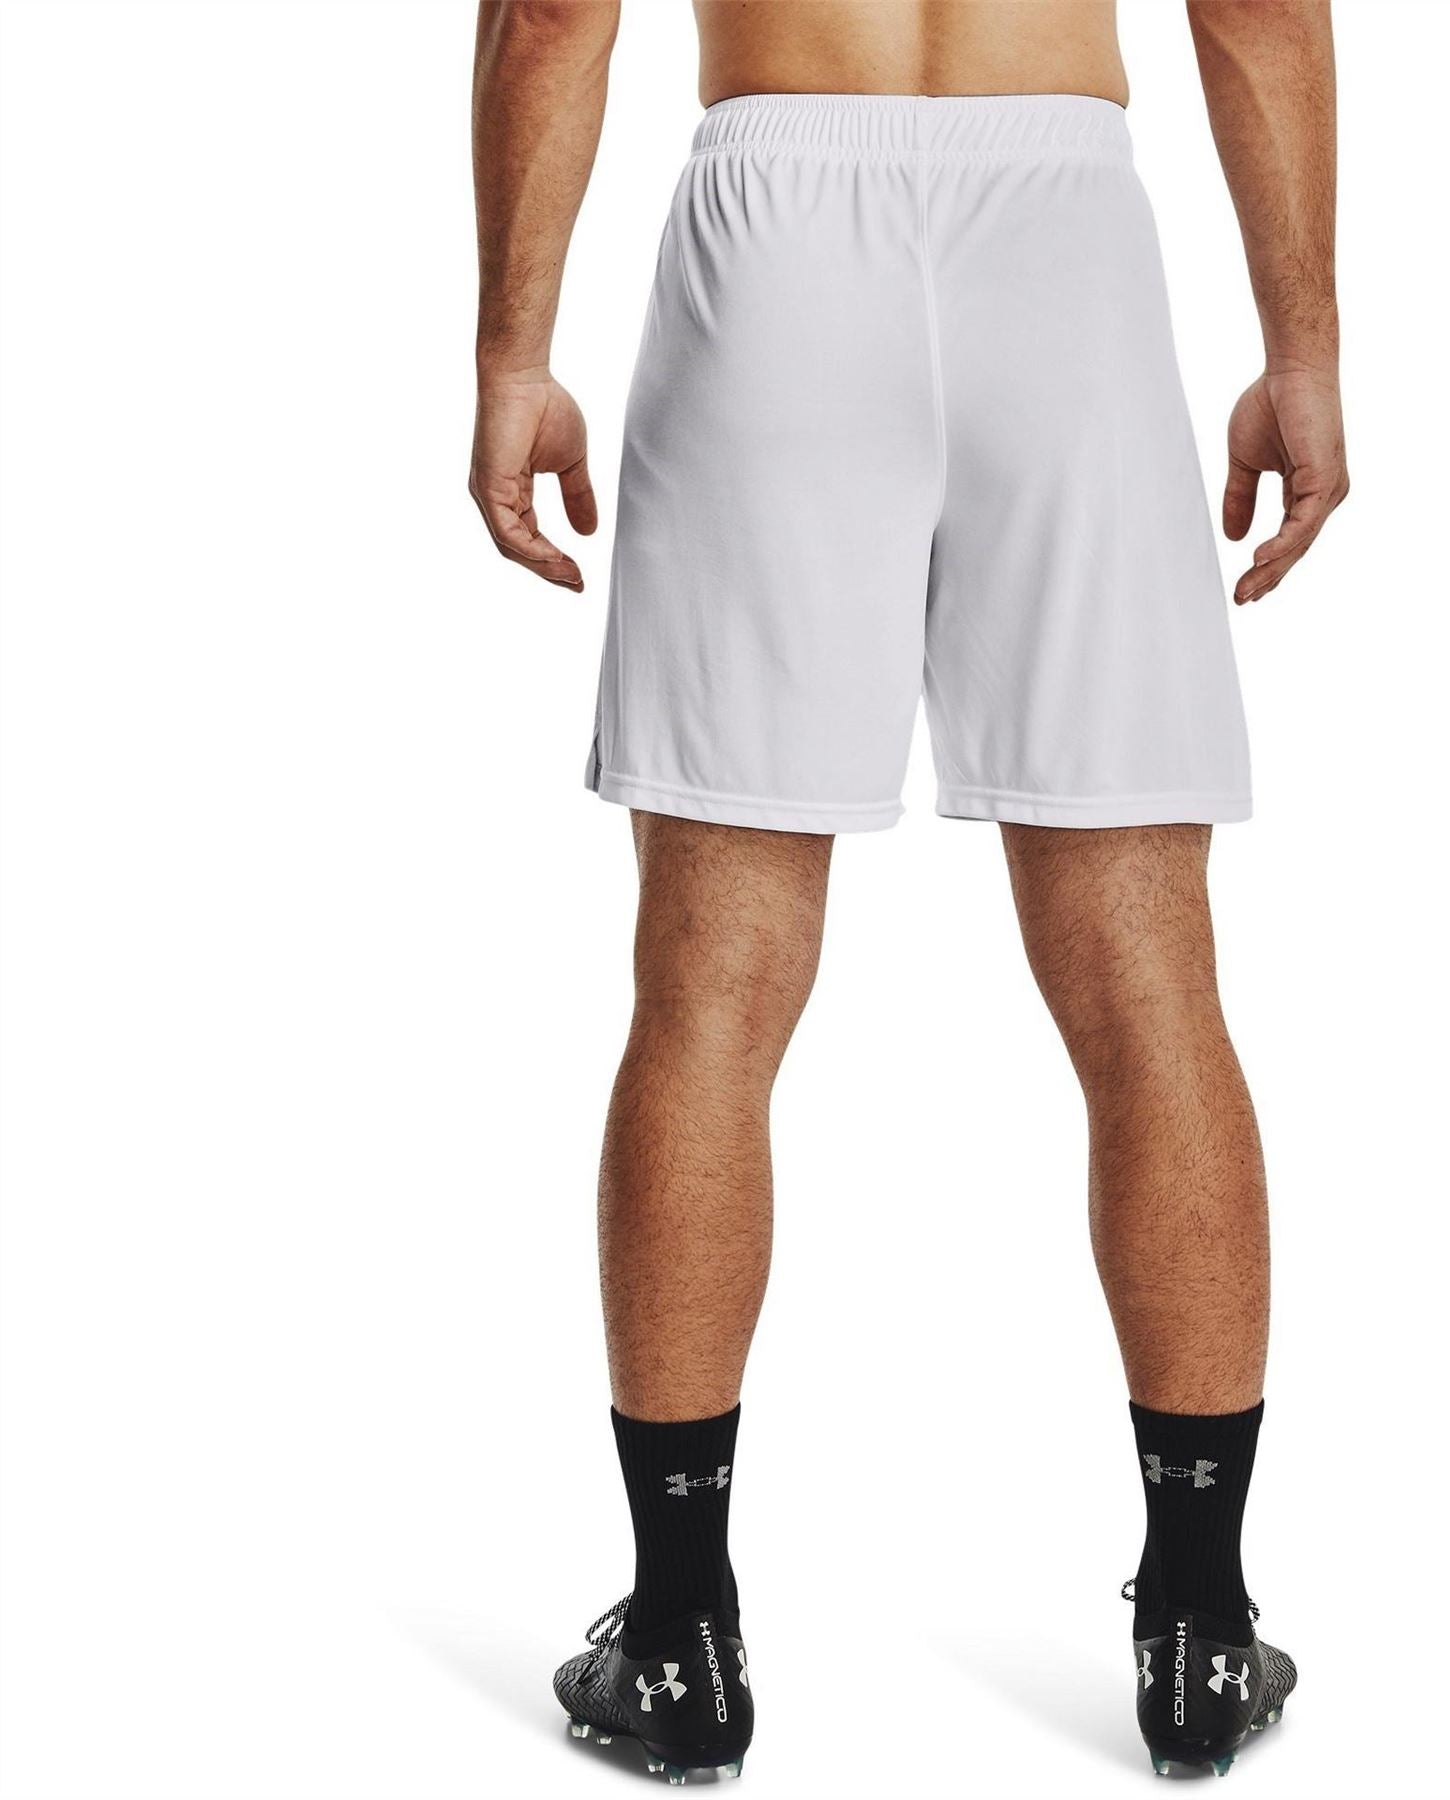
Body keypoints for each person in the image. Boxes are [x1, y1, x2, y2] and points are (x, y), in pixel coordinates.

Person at [470, 0, 1345, 1780]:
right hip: (1065, 228)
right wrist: (1305, 348)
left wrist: (510, 351)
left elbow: (554, 11)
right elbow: (1255, 6)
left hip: (779, 214)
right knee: (1149, 987)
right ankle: (1197, 1630)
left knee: (710, 996)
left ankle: (681, 1638)